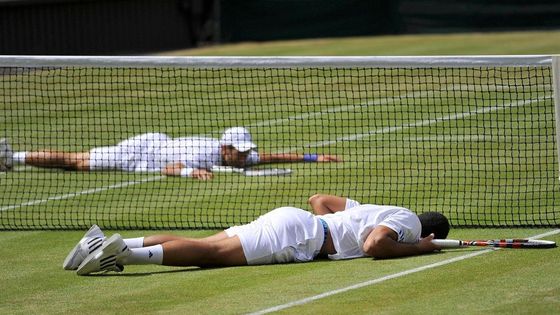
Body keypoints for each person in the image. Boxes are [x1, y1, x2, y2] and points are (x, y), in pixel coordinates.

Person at [62, 194, 450, 275]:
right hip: (298, 237)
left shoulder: (376, 209)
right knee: (207, 255)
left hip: (293, 220)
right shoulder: (410, 224)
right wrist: (421, 247)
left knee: (203, 245)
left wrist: (335, 232)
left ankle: (107, 243)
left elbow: (320, 200)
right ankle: (122, 257)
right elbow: (375, 246)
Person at [0, 127, 340, 180]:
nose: (245, 156)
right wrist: (189, 173)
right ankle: (11, 158)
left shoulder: (235, 155)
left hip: (157, 146)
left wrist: (313, 158)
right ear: (225, 148)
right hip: (143, 152)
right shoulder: (200, 151)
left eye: (245, 152)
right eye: (240, 152)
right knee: (79, 162)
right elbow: (169, 168)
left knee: (78, 164)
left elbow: (270, 158)